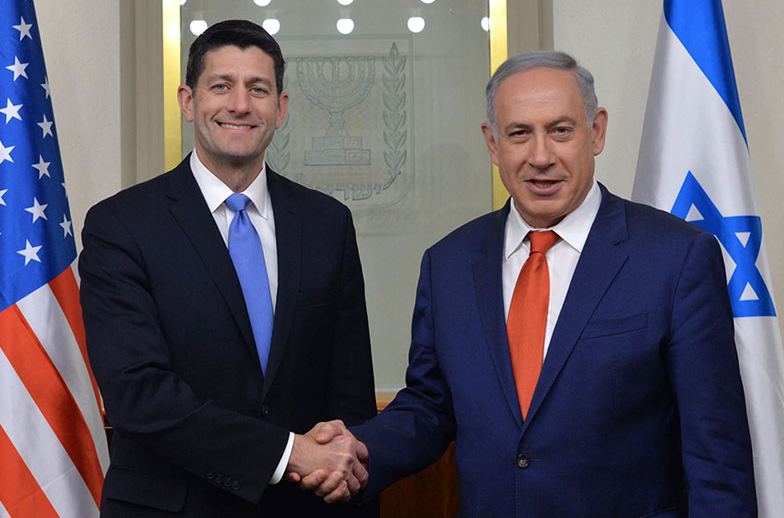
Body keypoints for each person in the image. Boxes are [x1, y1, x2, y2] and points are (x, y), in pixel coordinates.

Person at [299, 51, 757, 516]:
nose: (541, 156)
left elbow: (716, 452)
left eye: (561, 130)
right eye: (519, 134)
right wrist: (356, 450)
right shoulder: (449, 264)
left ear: (595, 131)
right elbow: (430, 406)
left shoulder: (676, 257)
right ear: (493, 144)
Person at [79, 19, 378, 517]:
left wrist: (345, 478)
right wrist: (288, 453)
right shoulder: (121, 226)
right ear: (188, 101)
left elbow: (349, 394)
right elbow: (138, 395)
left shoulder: (328, 223)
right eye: (221, 86)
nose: (240, 104)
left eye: (258, 89)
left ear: (280, 108)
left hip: (304, 508)